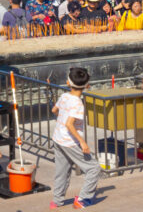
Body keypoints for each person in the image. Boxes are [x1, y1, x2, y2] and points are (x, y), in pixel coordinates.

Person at [50, 67, 100, 209]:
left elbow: (54, 110)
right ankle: (83, 199)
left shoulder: (64, 96)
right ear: (87, 85)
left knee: (62, 171)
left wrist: (62, 115)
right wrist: (82, 142)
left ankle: (56, 201)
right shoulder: (78, 103)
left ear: (68, 83)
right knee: (94, 168)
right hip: (70, 142)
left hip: (58, 138)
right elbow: (69, 124)